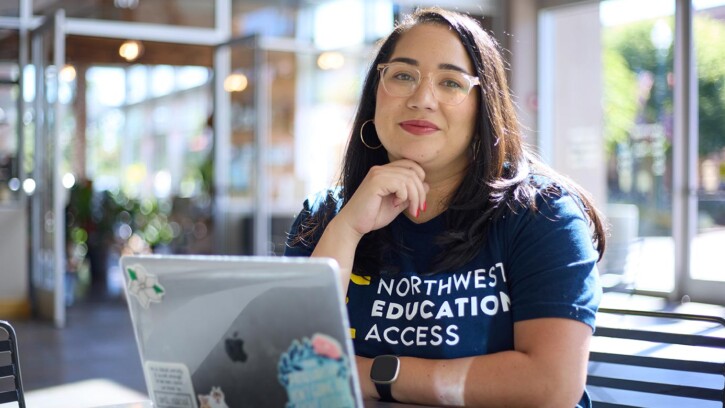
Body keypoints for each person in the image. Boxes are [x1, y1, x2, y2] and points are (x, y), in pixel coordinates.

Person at [285, 7, 605, 407]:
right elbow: (291, 370)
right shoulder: (327, 215)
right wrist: (347, 230)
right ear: (375, 95)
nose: (422, 99)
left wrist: (373, 374)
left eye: (451, 82)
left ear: (482, 109)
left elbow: (550, 386)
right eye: (403, 75)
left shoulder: (543, 215)